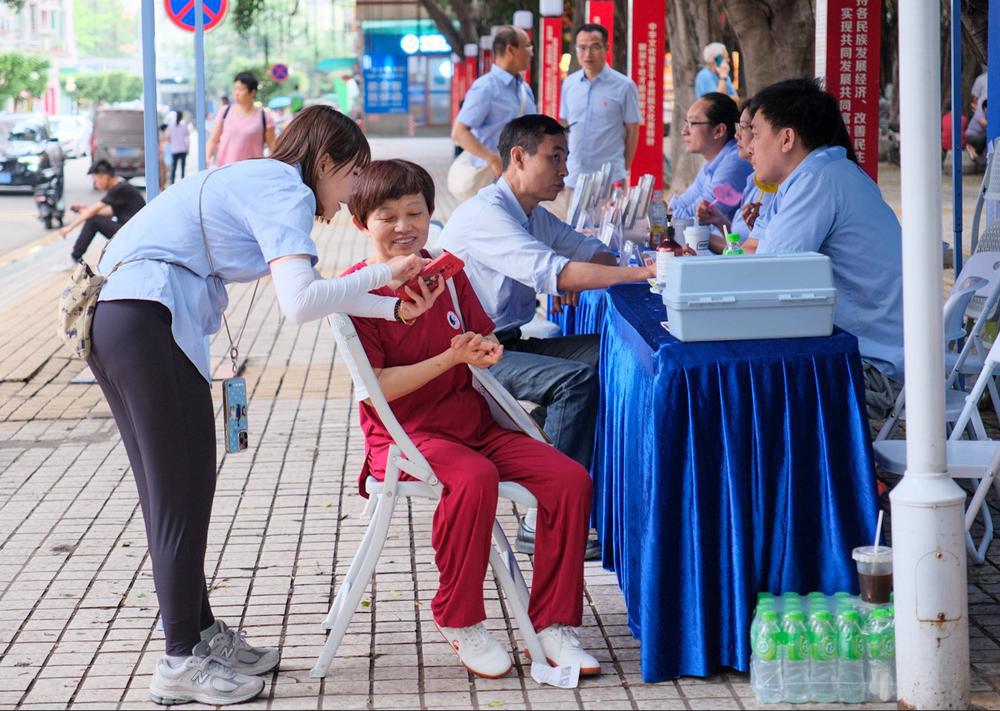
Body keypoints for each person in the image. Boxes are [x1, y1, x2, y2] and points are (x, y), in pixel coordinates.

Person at [88, 106, 441, 706]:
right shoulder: (286, 189)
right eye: (353, 175)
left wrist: (395, 308)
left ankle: (196, 634)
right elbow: (301, 303)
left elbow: (315, 290)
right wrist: (387, 273)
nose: (352, 194)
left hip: (124, 319)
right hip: (145, 319)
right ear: (325, 162)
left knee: (172, 490)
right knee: (180, 492)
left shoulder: (258, 179)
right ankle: (178, 659)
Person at [345, 158, 601, 680]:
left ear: (431, 214)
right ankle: (459, 618)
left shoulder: (448, 273)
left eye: (414, 212)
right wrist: (450, 359)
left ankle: (554, 623)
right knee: (474, 477)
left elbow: (485, 344)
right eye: (386, 216)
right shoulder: (356, 292)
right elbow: (378, 392)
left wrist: (481, 350)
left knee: (569, 479)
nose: (402, 227)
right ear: (361, 223)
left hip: (472, 424)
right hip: (404, 435)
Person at [439, 114, 654, 554]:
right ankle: (546, 518)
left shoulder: (532, 215)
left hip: (504, 344)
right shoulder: (488, 215)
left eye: (565, 158)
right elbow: (554, 271)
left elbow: (586, 251)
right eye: (554, 158)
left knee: (610, 352)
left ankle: (542, 445)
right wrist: (641, 273)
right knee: (574, 381)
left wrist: (610, 269)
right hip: (469, 358)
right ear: (518, 157)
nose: (564, 170)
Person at [747, 78, 903, 421]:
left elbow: (767, 273)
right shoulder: (827, 171)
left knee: (734, 384)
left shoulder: (818, 180)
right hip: (874, 353)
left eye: (756, 134)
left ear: (787, 138)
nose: (749, 148)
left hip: (870, 368)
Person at [448, 25, 536, 202]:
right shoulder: (486, 87)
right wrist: (492, 158)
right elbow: (459, 132)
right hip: (490, 183)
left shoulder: (524, 90)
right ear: (511, 49)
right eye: (528, 47)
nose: (531, 53)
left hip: (521, 182)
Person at [559, 23, 640, 193]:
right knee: (571, 220)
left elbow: (633, 130)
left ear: (606, 48)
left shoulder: (624, 86)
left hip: (610, 178)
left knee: (609, 220)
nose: (587, 54)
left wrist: (623, 168)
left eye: (595, 47)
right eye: (582, 48)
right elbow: (565, 125)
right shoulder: (569, 84)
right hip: (574, 175)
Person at [695, 102, 777, 254]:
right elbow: (741, 244)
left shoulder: (773, 183)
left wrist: (701, 237)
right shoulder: (753, 179)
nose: (736, 134)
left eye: (744, 127)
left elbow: (752, 251)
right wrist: (720, 221)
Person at [668, 92, 752, 222]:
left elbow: (699, 215)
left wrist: (663, 217)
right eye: (686, 122)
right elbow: (683, 202)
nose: (684, 131)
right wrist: (664, 212)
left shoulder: (736, 161)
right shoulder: (713, 162)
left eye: (693, 123)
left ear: (719, 131)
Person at [55, 161, 145, 270]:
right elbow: (109, 212)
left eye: (95, 180)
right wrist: (84, 210)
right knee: (93, 218)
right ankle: (74, 258)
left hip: (132, 237)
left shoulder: (119, 188)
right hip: (132, 234)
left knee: (93, 220)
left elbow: (95, 211)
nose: (96, 185)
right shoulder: (122, 186)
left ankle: (74, 258)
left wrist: (69, 228)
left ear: (104, 177)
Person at [207, 71, 277, 166]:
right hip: (225, 172)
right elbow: (213, 140)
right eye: (235, 89)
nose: (236, 93)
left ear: (252, 92)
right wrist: (207, 158)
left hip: (252, 173)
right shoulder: (225, 112)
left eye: (241, 89)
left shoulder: (264, 116)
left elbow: (273, 146)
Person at [167, 110, 191, 184]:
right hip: (183, 149)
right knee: (182, 168)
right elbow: (187, 138)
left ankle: (172, 183)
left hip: (174, 149)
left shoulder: (171, 127)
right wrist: (188, 149)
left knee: (174, 168)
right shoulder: (184, 126)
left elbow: (168, 138)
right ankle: (183, 182)